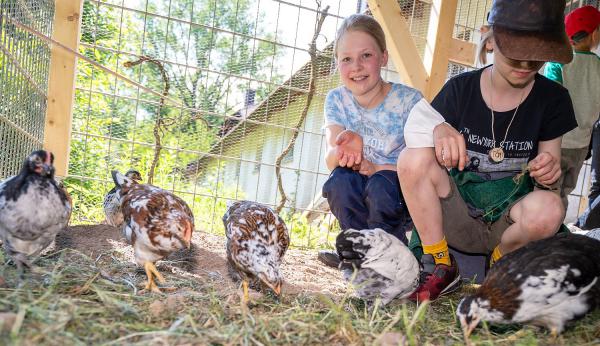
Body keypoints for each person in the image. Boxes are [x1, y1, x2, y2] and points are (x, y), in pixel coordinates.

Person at [398, 0, 577, 301]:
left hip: (510, 224)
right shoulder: (460, 89)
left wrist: (549, 168)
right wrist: (437, 128)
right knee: (412, 158)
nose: (524, 66)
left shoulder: (554, 99)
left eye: (534, 60)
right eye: (516, 56)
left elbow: (549, 175)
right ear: (492, 40)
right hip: (457, 214)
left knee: (551, 207)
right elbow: (415, 131)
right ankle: (441, 264)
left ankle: (502, 267)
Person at [317, 14, 444, 268]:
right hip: (360, 187)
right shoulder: (337, 100)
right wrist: (344, 148)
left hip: (397, 191)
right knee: (340, 181)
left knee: (379, 185)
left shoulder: (408, 101)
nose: (357, 67)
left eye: (366, 55)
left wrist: (376, 167)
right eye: (347, 59)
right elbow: (331, 159)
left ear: (383, 57)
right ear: (337, 63)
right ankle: (355, 249)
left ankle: (392, 257)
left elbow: (425, 167)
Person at [543, 6, 600, 209]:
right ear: (594, 34)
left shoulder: (558, 63)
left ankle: (543, 232)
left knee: (546, 189)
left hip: (555, 141)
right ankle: (557, 229)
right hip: (581, 144)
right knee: (566, 190)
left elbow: (549, 97)